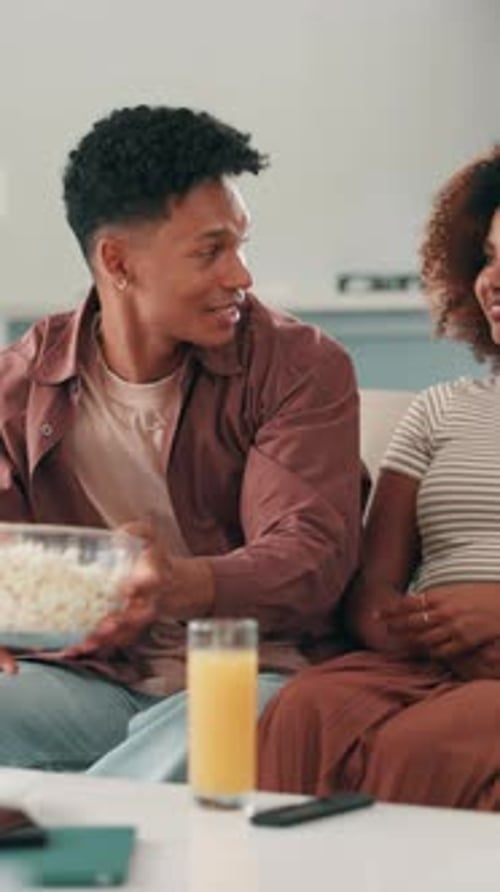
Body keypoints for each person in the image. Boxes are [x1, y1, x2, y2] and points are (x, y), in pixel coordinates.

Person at [0, 104, 362, 777]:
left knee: (225, 726)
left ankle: (75, 859)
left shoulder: (301, 367)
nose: (242, 276)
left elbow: (312, 554)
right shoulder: (19, 383)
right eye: (212, 251)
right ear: (118, 262)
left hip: (252, 671)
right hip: (91, 677)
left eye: (242, 244)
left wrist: (183, 585)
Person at [258, 145, 500, 810]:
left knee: (421, 746)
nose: (493, 281)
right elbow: (373, 586)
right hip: (429, 663)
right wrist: (415, 628)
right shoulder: (438, 409)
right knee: (302, 708)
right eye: (487, 256)